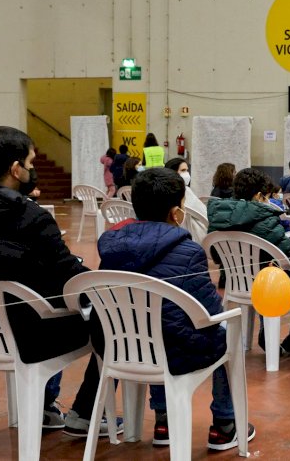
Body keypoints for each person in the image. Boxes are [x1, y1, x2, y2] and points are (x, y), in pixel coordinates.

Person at [0, 126, 120, 437]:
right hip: (29, 335)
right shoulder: (31, 218)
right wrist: (92, 280)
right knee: (109, 316)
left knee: (42, 301)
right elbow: (68, 279)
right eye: (31, 164)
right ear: (15, 169)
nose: (32, 170)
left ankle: (45, 406)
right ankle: (86, 413)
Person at [98, 168, 255, 450]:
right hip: (173, 353)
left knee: (155, 326)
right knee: (226, 332)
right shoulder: (189, 251)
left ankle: (163, 420)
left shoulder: (111, 245)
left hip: (120, 348)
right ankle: (225, 424)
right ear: (176, 213)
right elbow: (210, 311)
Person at [207, 168, 290, 356]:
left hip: (235, 283)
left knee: (263, 273)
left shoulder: (218, 216)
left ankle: (264, 331)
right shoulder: (266, 219)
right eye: (268, 195)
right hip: (264, 285)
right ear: (259, 195)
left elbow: (215, 254)